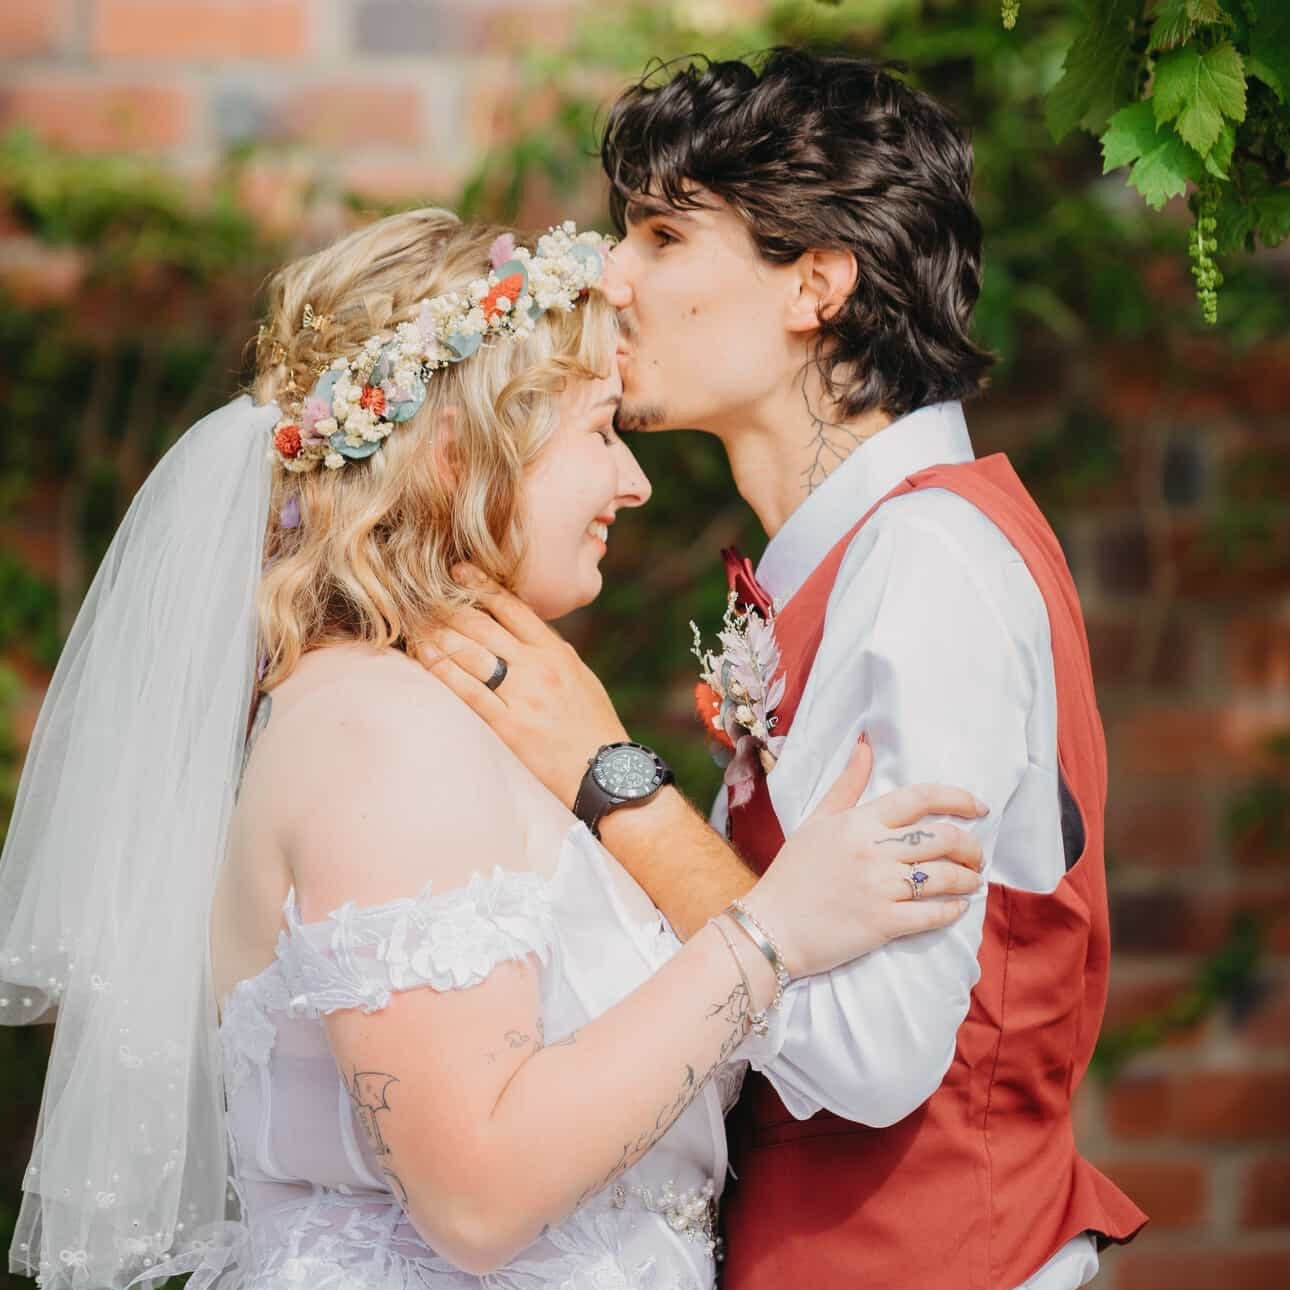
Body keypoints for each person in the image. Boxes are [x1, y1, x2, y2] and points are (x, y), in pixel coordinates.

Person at [0, 208, 987, 1290]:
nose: (635, 483)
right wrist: (770, 935)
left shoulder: (431, 717)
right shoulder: (377, 737)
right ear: (460, 450)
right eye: (600, 431)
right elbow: (477, 1193)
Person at [417, 50, 1150, 1290]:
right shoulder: (866, 557)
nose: (611, 275)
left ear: (815, 283)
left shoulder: (929, 570)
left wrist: (615, 785)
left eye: (661, 233)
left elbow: (868, 1053)